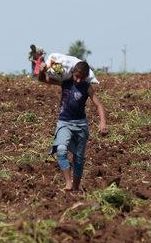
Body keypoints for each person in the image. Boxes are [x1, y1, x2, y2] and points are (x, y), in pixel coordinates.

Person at [38, 60, 108, 191]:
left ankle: (75, 187)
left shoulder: (87, 87)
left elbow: (99, 105)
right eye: (76, 76)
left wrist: (103, 122)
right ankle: (68, 182)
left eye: (82, 78)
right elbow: (43, 79)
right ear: (73, 73)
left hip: (81, 125)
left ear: (87, 76)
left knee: (79, 159)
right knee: (61, 150)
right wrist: (42, 70)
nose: (78, 80)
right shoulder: (65, 82)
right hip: (64, 123)